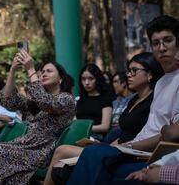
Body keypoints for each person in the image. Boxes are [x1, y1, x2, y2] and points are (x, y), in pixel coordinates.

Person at [65, 15, 179, 184]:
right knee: (86, 156)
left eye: (167, 40)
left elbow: (170, 135)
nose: (162, 48)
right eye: (156, 43)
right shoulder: (161, 82)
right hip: (136, 147)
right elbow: (152, 128)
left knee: (93, 155)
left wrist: (129, 147)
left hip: (151, 153)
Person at [43, 52, 164, 185]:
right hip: (117, 147)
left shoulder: (154, 100)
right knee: (61, 160)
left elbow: (147, 134)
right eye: (129, 70)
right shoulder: (134, 99)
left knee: (62, 151)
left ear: (150, 74)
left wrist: (119, 146)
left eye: (134, 71)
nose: (129, 75)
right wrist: (106, 145)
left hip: (130, 151)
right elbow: (124, 132)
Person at [0, 51, 75, 184]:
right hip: (24, 146)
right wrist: (12, 69)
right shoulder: (34, 102)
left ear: (60, 78)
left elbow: (46, 102)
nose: (43, 73)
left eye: (49, 71)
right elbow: (8, 100)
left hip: (41, 150)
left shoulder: (66, 99)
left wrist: (31, 69)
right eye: (42, 71)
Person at [76, 64, 113, 140]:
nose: (86, 82)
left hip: (96, 137)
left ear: (97, 79)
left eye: (90, 78)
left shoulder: (105, 99)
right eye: (83, 79)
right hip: (79, 135)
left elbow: (105, 127)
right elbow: (75, 121)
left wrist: (84, 128)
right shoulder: (81, 99)